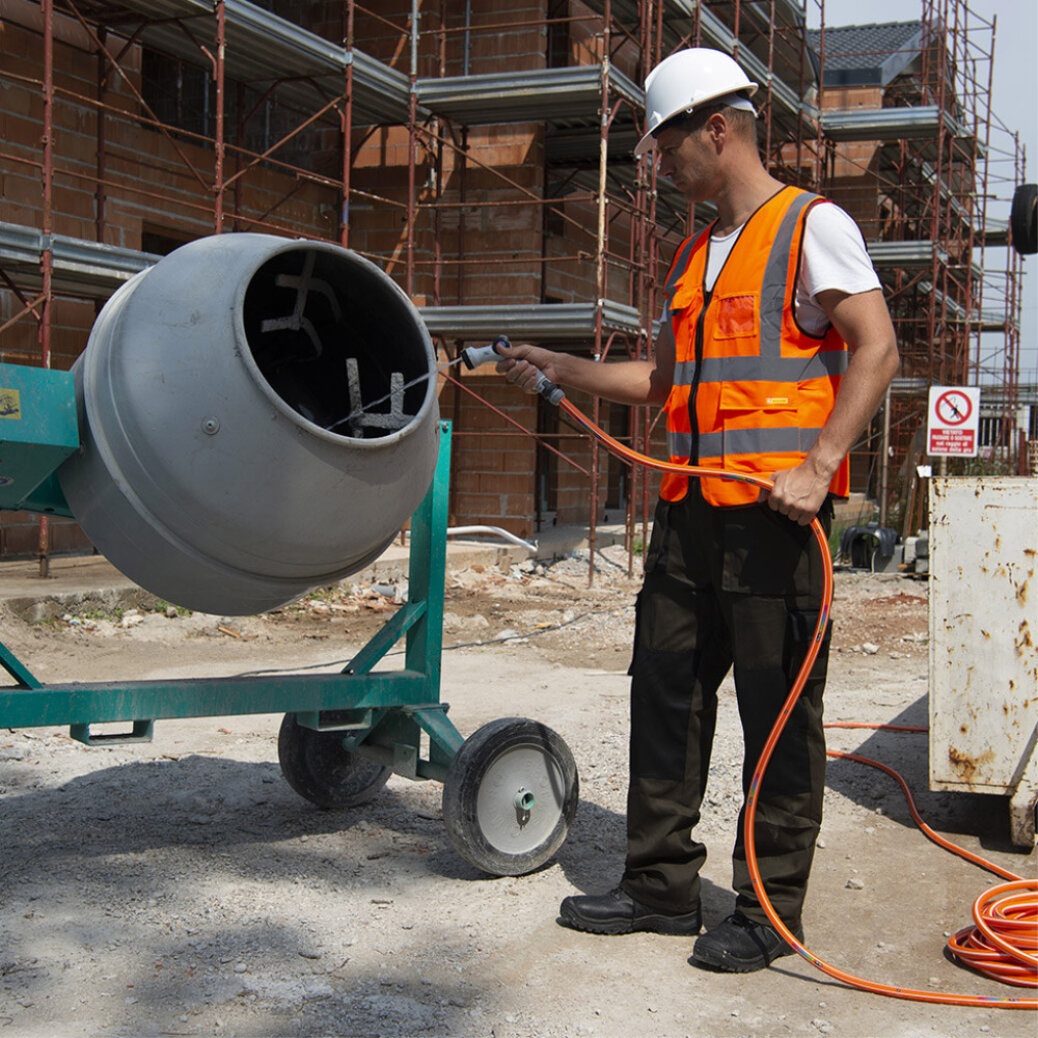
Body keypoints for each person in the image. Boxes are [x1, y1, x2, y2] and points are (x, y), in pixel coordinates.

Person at [496, 47, 899, 973]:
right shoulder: (694, 254)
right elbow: (663, 379)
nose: (660, 163)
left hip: (776, 523)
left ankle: (768, 912)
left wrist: (821, 462)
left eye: (665, 143)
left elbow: (876, 347)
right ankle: (660, 888)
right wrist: (564, 369)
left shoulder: (812, 226)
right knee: (666, 698)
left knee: (778, 718)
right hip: (689, 518)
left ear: (716, 128)